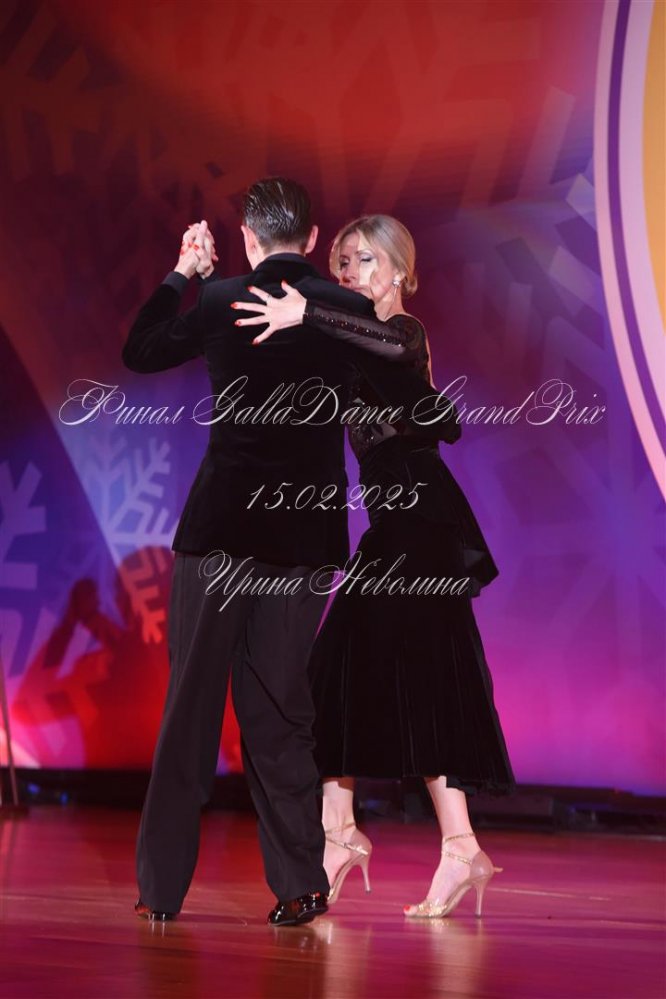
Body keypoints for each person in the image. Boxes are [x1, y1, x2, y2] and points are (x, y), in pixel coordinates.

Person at [122, 183, 459, 926]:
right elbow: (410, 373)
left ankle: (161, 889)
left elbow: (139, 350)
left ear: (248, 236)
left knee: (190, 710)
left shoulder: (221, 300)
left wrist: (184, 273)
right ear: (311, 240)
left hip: (220, 537)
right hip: (303, 541)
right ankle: (301, 883)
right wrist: (319, 313)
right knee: (281, 710)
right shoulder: (342, 309)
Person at [234, 214, 515, 919]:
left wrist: (311, 313)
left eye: (363, 260)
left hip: (422, 520)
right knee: (375, 672)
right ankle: (414, 838)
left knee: (366, 668)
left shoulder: (403, 332)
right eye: (343, 262)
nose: (350, 272)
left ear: (397, 270)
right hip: (395, 521)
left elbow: (383, 345)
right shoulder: (346, 340)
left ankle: (365, 833)